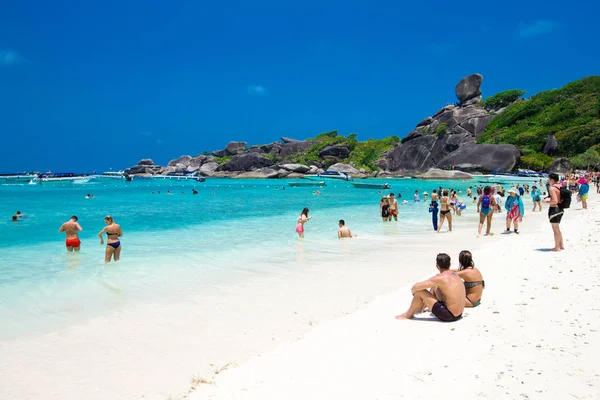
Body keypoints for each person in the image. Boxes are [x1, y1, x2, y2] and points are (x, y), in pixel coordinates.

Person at [395, 253, 465, 322]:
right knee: (435, 287)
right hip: (459, 314)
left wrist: (414, 293)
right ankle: (420, 308)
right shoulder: (455, 274)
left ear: (437, 266)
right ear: (449, 264)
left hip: (449, 316)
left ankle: (408, 315)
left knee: (419, 292)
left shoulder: (440, 278)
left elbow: (415, 287)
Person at [548, 173, 565, 251]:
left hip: (554, 210)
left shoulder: (552, 188)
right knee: (557, 228)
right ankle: (561, 245)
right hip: (560, 209)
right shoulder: (561, 186)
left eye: (549, 179)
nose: (548, 181)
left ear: (552, 180)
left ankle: (557, 247)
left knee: (555, 229)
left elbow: (555, 201)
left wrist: (545, 201)